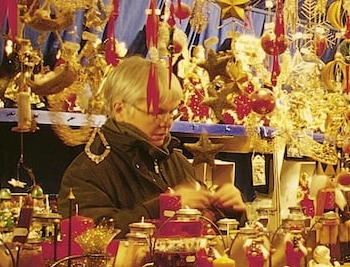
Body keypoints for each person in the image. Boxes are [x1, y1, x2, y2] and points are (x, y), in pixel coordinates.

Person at [60, 56, 246, 229]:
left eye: (171, 112)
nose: (167, 122)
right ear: (119, 109)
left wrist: (228, 212)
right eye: (157, 112)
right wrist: (164, 206)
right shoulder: (86, 172)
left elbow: (206, 229)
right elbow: (88, 237)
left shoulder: (175, 161)